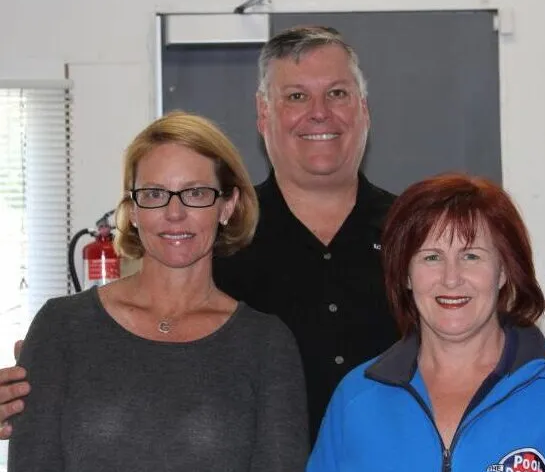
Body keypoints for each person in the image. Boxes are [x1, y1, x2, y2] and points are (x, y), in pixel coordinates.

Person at [0, 25, 399, 445]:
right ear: (263, 113)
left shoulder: (418, 235)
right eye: (296, 96)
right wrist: (44, 388)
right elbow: (136, 364)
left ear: (363, 108)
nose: (319, 112)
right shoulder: (207, 239)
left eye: (337, 93)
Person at [7, 112, 308, 472]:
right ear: (132, 210)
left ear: (227, 206)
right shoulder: (62, 328)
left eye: (195, 193)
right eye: (153, 194)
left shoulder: (265, 345)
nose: (174, 213)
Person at [301, 173, 545, 472]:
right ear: (405, 274)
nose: (451, 278)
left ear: (503, 271)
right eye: (431, 257)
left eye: (471, 256)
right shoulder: (356, 400)